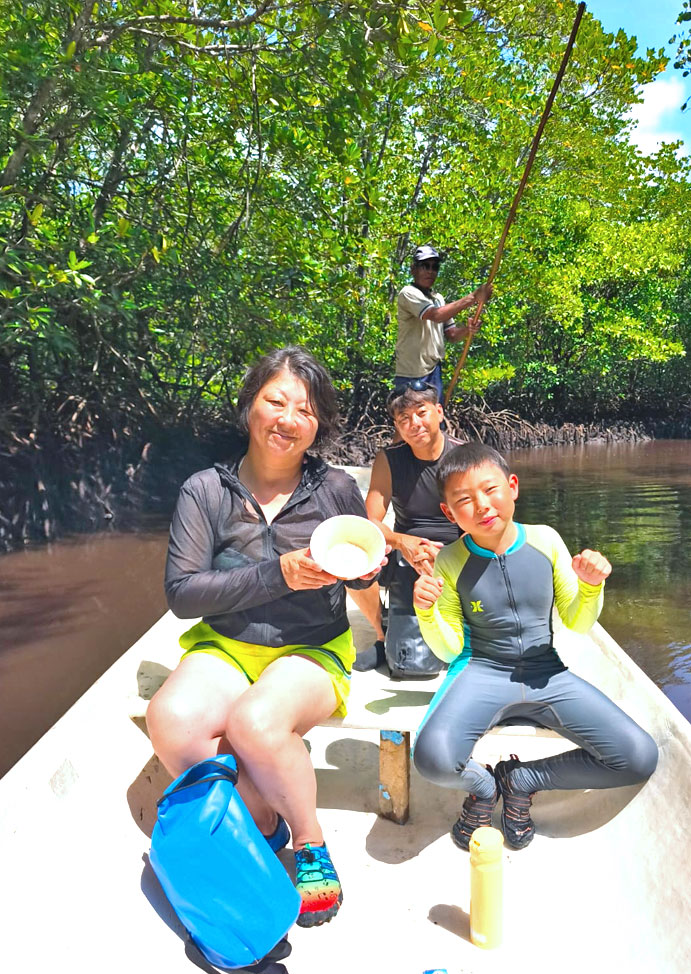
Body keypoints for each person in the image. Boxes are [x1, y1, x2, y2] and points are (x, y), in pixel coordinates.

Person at [146, 346, 386, 928]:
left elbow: (363, 570)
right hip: (226, 644)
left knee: (256, 721)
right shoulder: (206, 489)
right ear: (250, 405)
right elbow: (182, 595)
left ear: (318, 424)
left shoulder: (333, 490)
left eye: (303, 409)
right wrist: (275, 574)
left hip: (312, 650)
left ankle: (309, 844)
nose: (286, 418)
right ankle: (263, 814)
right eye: (274, 401)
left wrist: (372, 585)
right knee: (169, 719)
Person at [411, 442, 658, 851]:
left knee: (637, 757)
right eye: (464, 500)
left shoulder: (545, 541)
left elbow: (577, 622)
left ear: (512, 487)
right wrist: (426, 611)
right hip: (481, 670)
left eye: (490, 490)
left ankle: (523, 779)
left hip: (548, 673)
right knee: (433, 760)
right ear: (448, 513)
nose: (482, 506)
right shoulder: (449, 561)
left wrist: (591, 585)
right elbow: (450, 650)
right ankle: (486, 789)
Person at [350, 381, 463, 675]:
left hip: (461, 549)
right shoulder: (389, 460)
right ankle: (381, 636)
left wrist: (450, 557)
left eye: (421, 412)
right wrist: (405, 543)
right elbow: (371, 523)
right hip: (406, 552)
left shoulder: (466, 457)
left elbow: (489, 520)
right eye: (404, 419)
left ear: (439, 412)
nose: (414, 424)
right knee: (352, 560)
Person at [394, 245, 491, 403]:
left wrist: (468, 329)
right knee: (411, 423)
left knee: (435, 422)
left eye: (435, 267)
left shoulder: (438, 298)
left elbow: (452, 335)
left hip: (433, 372)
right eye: (425, 266)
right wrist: (473, 297)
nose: (430, 271)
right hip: (410, 374)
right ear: (413, 269)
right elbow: (435, 315)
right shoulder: (408, 293)